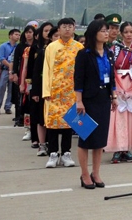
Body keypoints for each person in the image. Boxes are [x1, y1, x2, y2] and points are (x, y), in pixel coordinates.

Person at [73, 20, 117, 189]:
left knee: (99, 140)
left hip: (103, 99)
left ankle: (96, 172)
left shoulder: (109, 53)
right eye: (103, 30)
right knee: (86, 138)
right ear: (93, 33)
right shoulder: (84, 54)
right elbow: (78, 79)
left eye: (108, 30)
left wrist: (114, 97)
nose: (107, 33)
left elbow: (112, 78)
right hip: (88, 100)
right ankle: (84, 174)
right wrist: (79, 100)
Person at [43, 18, 83, 168]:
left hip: (72, 92)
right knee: (53, 123)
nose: (67, 29)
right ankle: (53, 154)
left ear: (74, 28)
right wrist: (46, 90)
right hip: (54, 91)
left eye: (70, 26)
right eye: (64, 27)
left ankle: (66, 153)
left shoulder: (79, 47)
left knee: (69, 123)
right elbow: (46, 69)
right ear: (58, 30)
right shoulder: (51, 47)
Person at [106, 22, 132, 164]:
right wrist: (116, 87)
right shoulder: (114, 49)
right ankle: (117, 149)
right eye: (126, 32)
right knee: (118, 117)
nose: (129, 35)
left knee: (130, 117)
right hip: (118, 86)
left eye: (131, 32)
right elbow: (111, 69)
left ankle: (127, 148)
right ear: (121, 34)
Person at [27, 22, 54, 152]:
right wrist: (31, 86)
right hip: (41, 85)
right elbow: (33, 69)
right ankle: (37, 140)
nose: (48, 33)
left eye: (51, 31)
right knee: (39, 116)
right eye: (46, 31)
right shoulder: (38, 49)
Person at [0, 28, 20, 116]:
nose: (18, 36)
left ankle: (8, 107)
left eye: (19, 35)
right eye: (16, 34)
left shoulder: (18, 47)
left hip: (13, 71)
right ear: (10, 35)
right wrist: (10, 66)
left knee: (11, 89)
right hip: (4, 70)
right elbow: (1, 58)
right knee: (1, 88)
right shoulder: (3, 46)